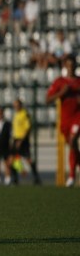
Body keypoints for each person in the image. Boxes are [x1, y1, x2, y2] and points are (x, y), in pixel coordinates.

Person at [46, 55, 80, 187]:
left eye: (73, 65)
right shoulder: (60, 82)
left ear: (76, 66)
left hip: (78, 116)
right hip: (65, 120)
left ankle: (71, 176)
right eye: (69, 65)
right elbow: (47, 100)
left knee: (73, 140)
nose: (71, 68)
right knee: (73, 146)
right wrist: (61, 93)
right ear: (66, 66)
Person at [10, 98, 41, 185]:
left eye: (17, 105)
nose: (15, 106)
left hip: (22, 139)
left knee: (28, 159)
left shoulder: (25, 114)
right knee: (13, 159)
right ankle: (15, 179)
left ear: (20, 105)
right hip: (15, 139)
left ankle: (36, 178)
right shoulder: (16, 114)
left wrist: (21, 141)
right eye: (14, 105)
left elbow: (28, 128)